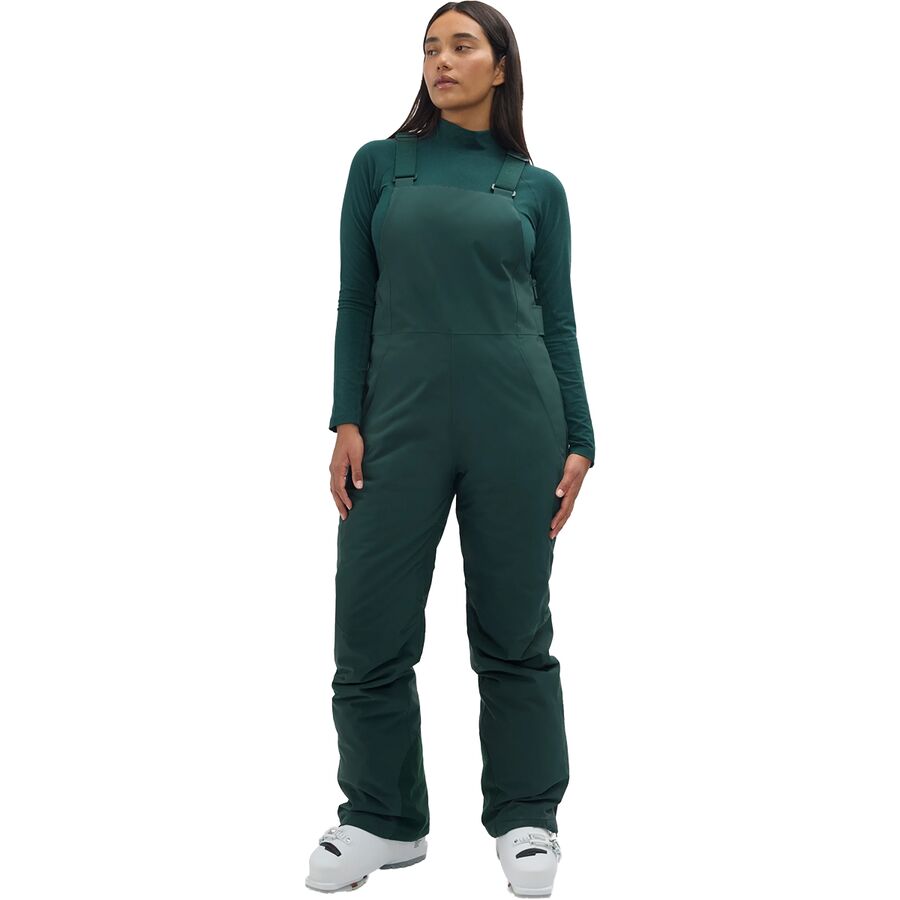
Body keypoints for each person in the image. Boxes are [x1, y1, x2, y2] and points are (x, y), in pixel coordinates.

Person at [307, 3, 595, 896]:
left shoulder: (535, 187)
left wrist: (582, 438)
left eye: (462, 46)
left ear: (501, 66)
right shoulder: (379, 166)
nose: (441, 60)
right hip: (395, 420)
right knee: (369, 625)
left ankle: (527, 818)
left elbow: (557, 319)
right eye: (431, 47)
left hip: (518, 419)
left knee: (514, 629)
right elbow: (356, 299)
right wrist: (344, 419)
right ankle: (382, 819)